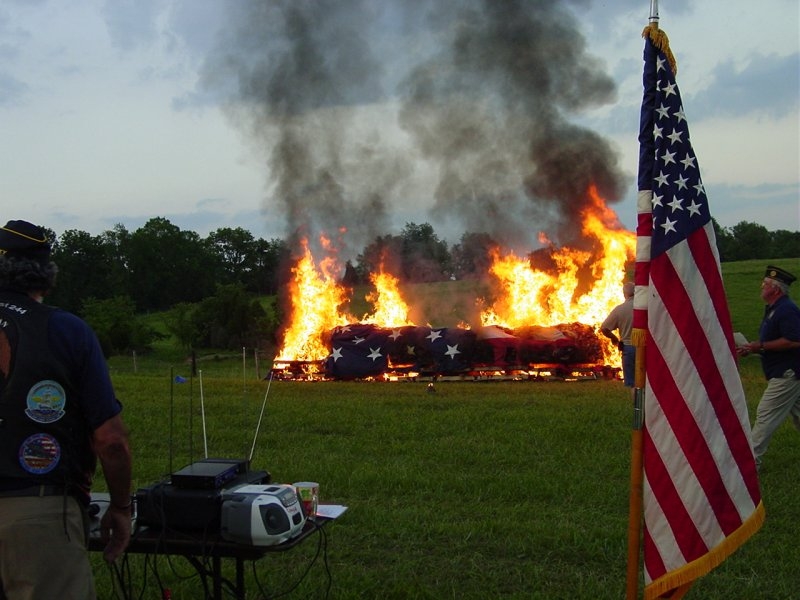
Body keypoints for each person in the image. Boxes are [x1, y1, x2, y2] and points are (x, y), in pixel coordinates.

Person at [0, 220, 132, 599]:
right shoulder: (64, 330)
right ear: (45, 273)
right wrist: (121, 507)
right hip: (35, 514)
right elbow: (111, 441)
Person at [737, 265, 800, 470]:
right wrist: (753, 348)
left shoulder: (786, 310)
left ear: (776, 289)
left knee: (766, 413)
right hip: (785, 371)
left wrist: (761, 346)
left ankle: (750, 461)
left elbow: (794, 340)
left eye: (765, 284)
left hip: (787, 373)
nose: (761, 286)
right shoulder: (774, 309)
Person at [600, 281, 636, 389]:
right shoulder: (646, 307)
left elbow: (604, 328)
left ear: (624, 294)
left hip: (629, 348)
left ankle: (637, 405)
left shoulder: (620, 309)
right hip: (647, 348)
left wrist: (614, 338)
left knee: (632, 383)